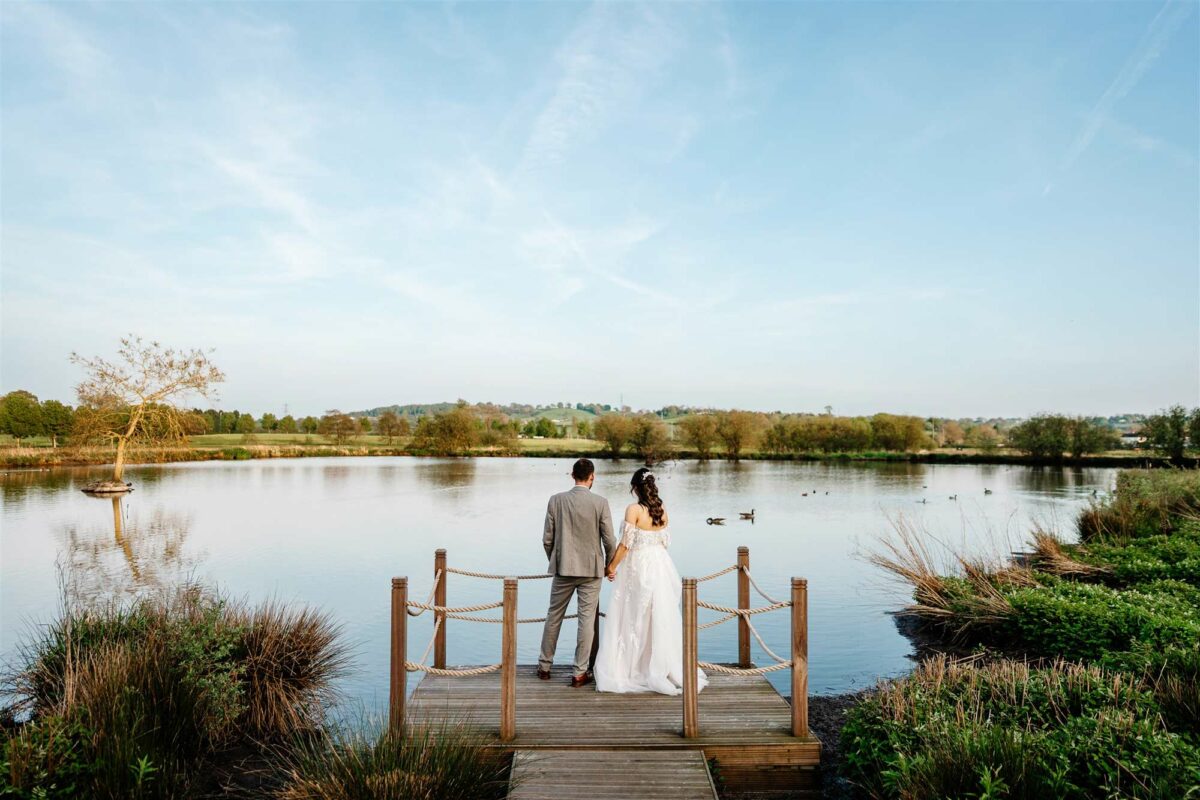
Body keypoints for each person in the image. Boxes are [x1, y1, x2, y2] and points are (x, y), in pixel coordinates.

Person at [593, 467, 708, 695]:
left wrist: (612, 567)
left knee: (634, 615)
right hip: (660, 564)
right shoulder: (662, 509)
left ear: (634, 487)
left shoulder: (633, 509)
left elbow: (626, 544)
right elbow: (664, 542)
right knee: (658, 615)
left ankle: (634, 667)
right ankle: (657, 666)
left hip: (639, 566)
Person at [538, 458, 616, 687]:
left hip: (563, 569)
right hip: (591, 571)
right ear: (592, 477)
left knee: (554, 616)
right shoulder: (601, 503)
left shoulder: (555, 500)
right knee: (586, 620)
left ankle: (544, 666)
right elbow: (610, 540)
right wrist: (609, 566)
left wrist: (557, 560)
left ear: (572, 475)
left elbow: (547, 540)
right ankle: (579, 672)